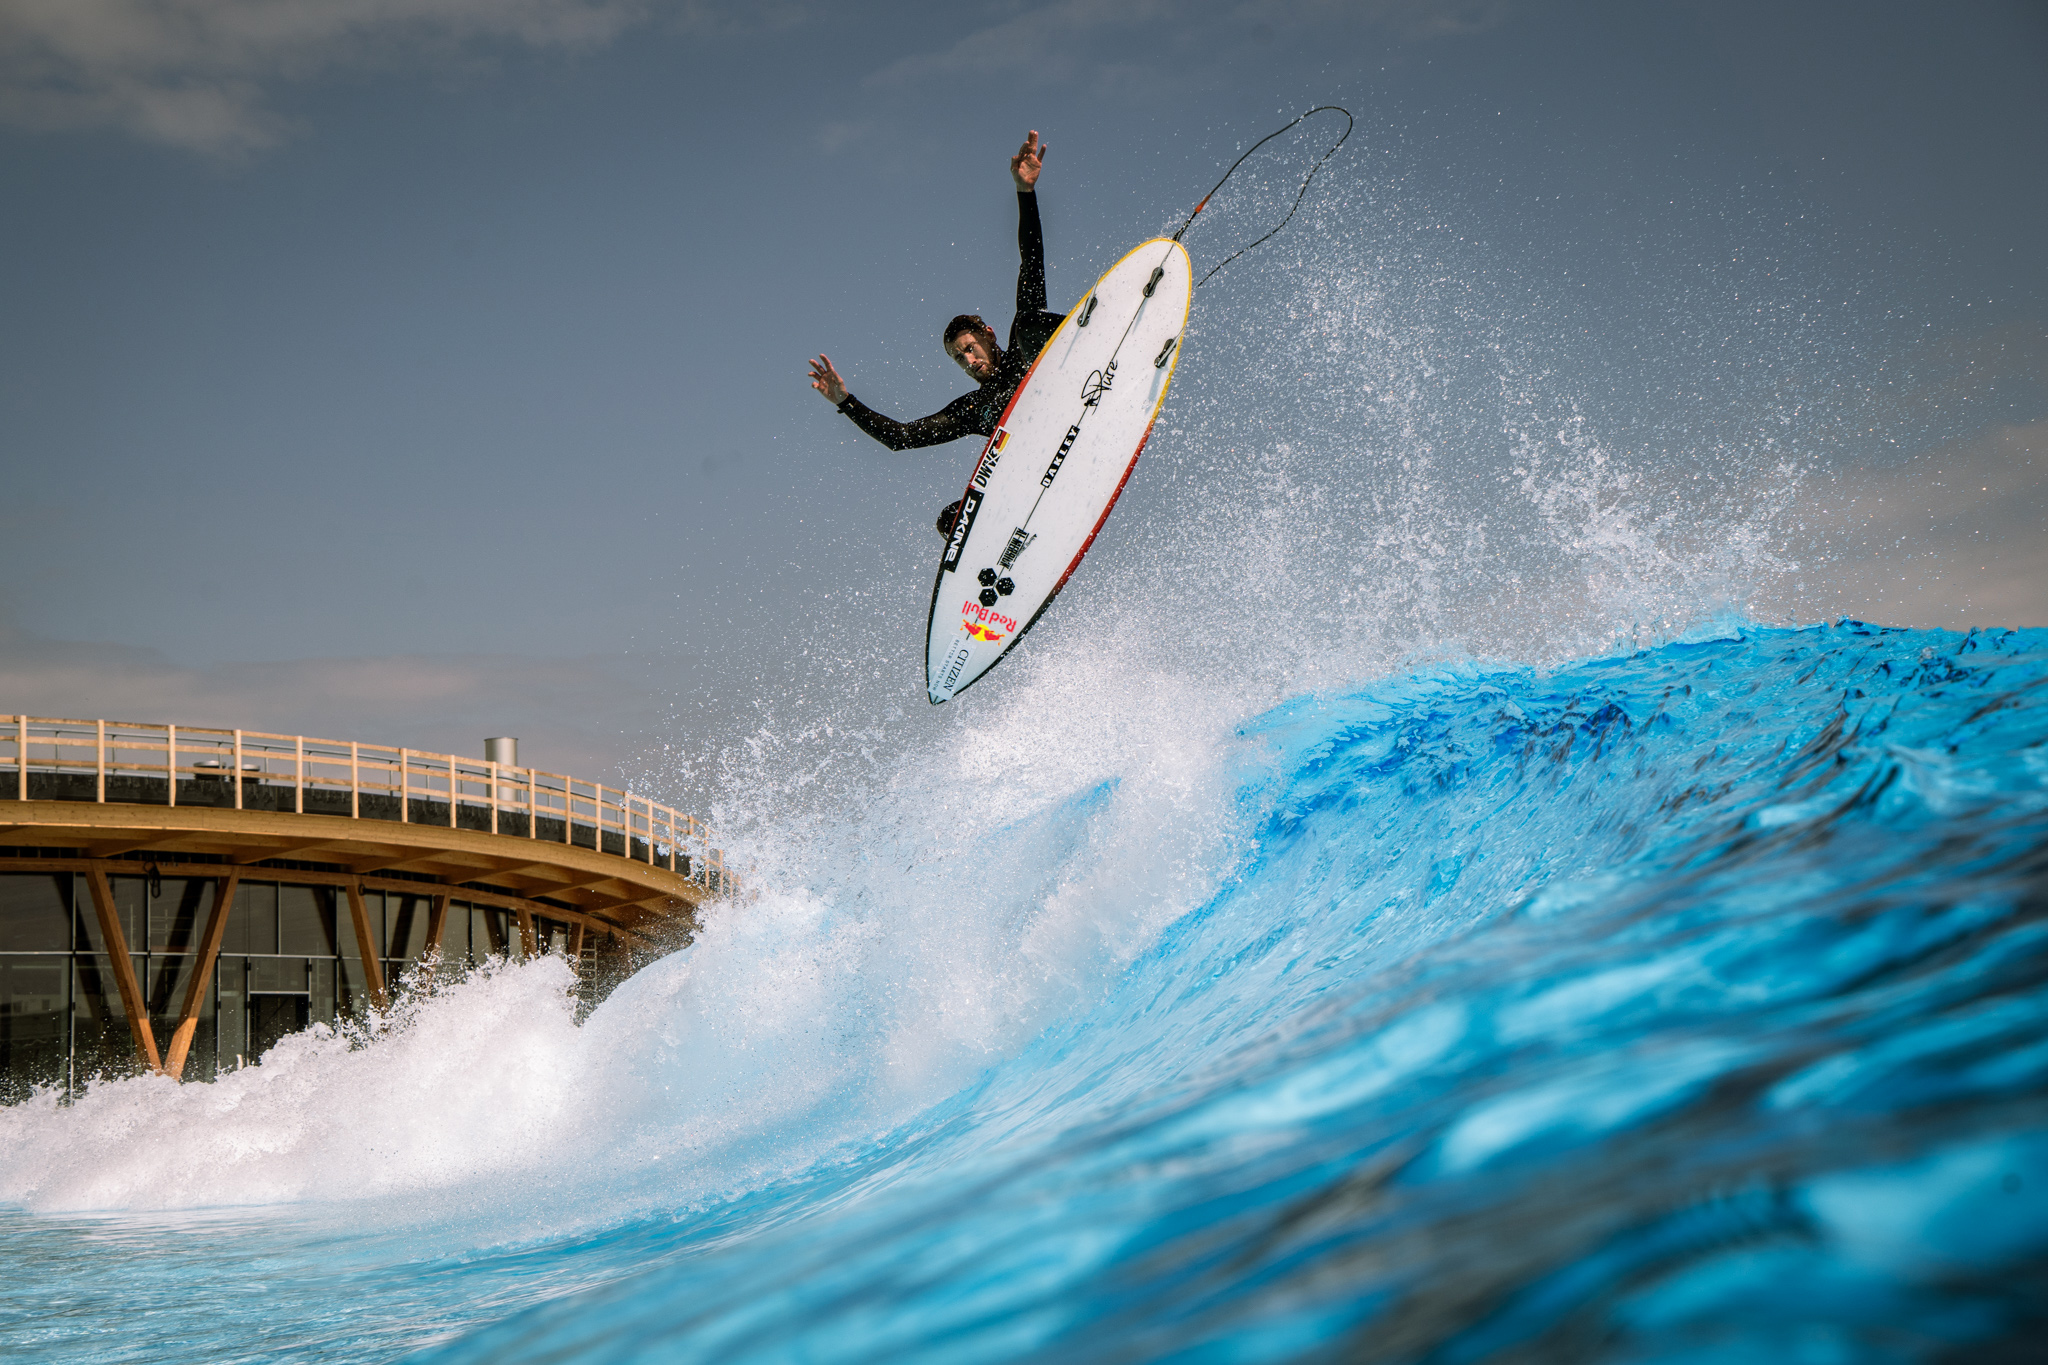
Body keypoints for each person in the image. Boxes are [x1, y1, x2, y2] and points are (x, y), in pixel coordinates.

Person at [809, 131, 1064, 536]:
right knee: (951, 520)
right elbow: (903, 437)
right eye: (958, 358)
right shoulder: (974, 408)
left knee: (1032, 319)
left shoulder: (1019, 347)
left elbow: (1031, 259)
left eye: (969, 348)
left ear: (988, 335)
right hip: (1034, 471)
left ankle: (1100, 335)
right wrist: (845, 401)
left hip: (1075, 398)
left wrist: (1024, 192)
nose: (968, 361)